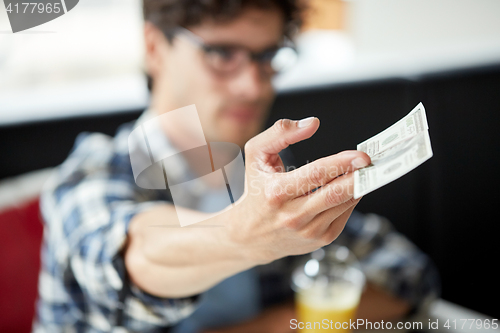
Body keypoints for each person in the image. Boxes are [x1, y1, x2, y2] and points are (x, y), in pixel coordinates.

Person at [33, 0, 439, 332]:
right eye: (222, 53)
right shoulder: (92, 174)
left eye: (268, 56)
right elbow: (129, 258)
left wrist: (276, 324)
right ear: (155, 47)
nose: (254, 85)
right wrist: (245, 234)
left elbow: (401, 272)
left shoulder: (265, 170)